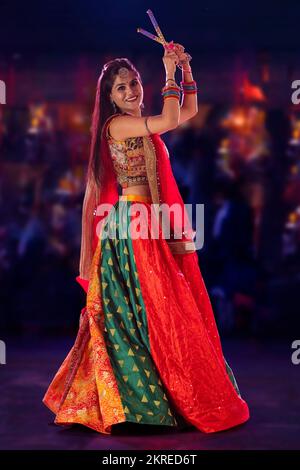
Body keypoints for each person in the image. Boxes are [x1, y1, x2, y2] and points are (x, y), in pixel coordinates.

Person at [43, 43, 250, 434]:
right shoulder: (116, 126)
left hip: (148, 221)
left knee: (157, 309)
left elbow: (185, 111)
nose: (130, 92)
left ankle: (160, 396)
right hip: (131, 226)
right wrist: (168, 71)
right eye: (120, 88)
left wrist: (185, 70)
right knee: (144, 310)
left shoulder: (142, 120)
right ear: (110, 99)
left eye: (134, 83)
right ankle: (136, 403)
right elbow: (171, 118)